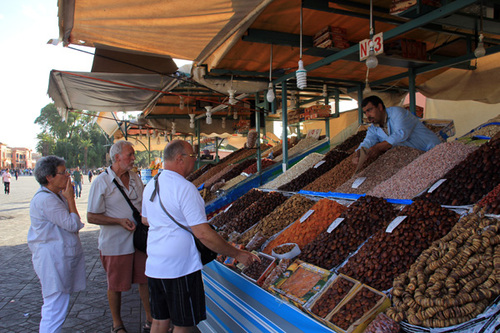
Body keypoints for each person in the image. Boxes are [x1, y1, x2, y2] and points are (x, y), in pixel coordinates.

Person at [141, 140, 259, 333]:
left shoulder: (151, 185)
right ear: (180, 159)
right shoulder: (185, 188)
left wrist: (167, 224)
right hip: (180, 268)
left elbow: (145, 219)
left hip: (155, 263)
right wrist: (237, 254)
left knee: (159, 321)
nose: (195, 161)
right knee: (183, 324)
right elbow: (203, 234)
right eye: (192, 156)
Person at [87, 140, 152, 333]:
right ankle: (117, 324)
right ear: (117, 157)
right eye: (130, 155)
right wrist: (118, 221)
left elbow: (142, 207)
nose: (133, 158)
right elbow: (91, 216)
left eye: (133, 155)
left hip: (139, 241)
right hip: (114, 244)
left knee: (145, 279)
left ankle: (150, 318)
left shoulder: (135, 178)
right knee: (115, 284)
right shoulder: (101, 181)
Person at [28, 156, 86, 333]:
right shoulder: (46, 199)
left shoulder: (54, 195)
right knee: (55, 307)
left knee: (56, 304)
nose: (68, 175)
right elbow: (72, 224)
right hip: (52, 259)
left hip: (57, 257)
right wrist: (71, 199)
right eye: (63, 172)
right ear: (49, 177)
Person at [352, 95, 441, 166]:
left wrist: (378, 147)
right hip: (416, 158)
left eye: (369, 110)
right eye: (365, 113)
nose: (368, 115)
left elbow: (400, 134)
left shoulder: (398, 113)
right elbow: (368, 141)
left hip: (432, 150)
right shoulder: (373, 128)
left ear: (379, 107)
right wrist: (359, 152)